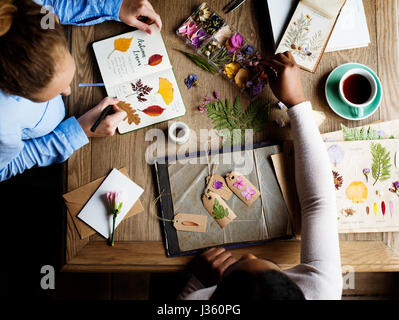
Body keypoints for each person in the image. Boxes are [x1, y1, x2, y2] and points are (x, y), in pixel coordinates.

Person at [178, 51, 342, 300]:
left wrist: (196, 283)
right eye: (271, 267)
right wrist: (296, 102)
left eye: (237, 267)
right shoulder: (322, 292)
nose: (249, 255)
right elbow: (320, 203)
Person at [0, 0, 162, 181]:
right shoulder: (3, 126)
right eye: (56, 91)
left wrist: (114, 6)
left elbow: (48, 5)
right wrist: (78, 133)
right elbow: (5, 168)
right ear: (13, 93)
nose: (68, 91)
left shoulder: (35, 13)